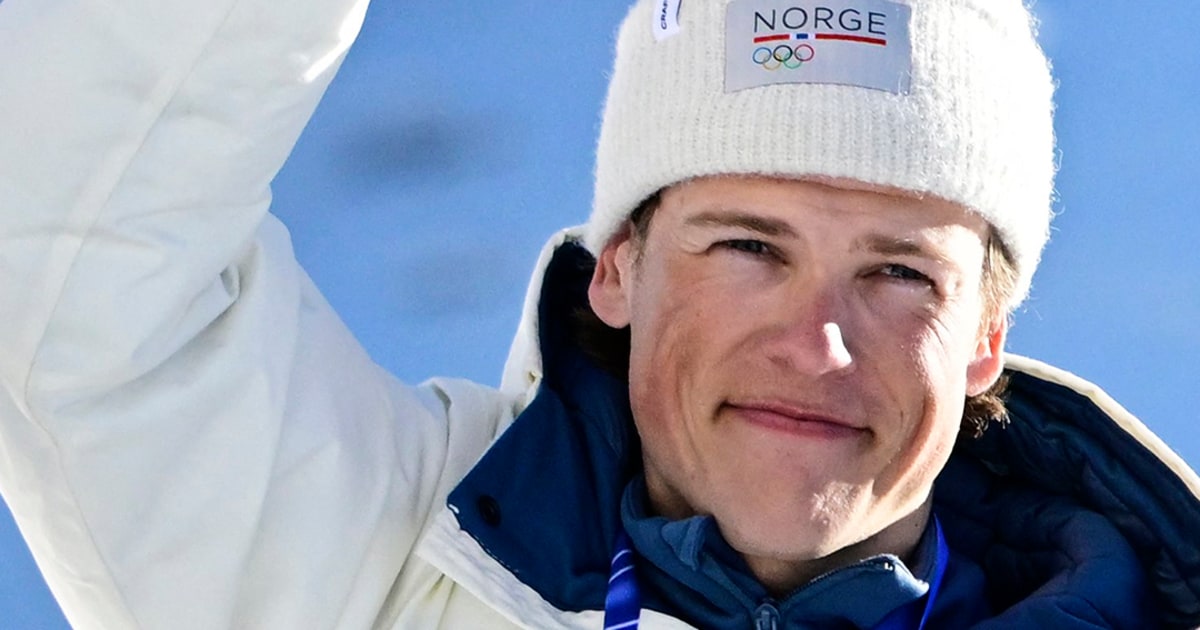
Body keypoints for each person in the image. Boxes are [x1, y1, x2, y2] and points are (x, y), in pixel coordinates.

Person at [0, 0, 1197, 629]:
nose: (816, 343)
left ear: (985, 337)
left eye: (898, 275)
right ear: (615, 271)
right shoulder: (380, 566)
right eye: (749, 247)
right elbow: (69, 264)